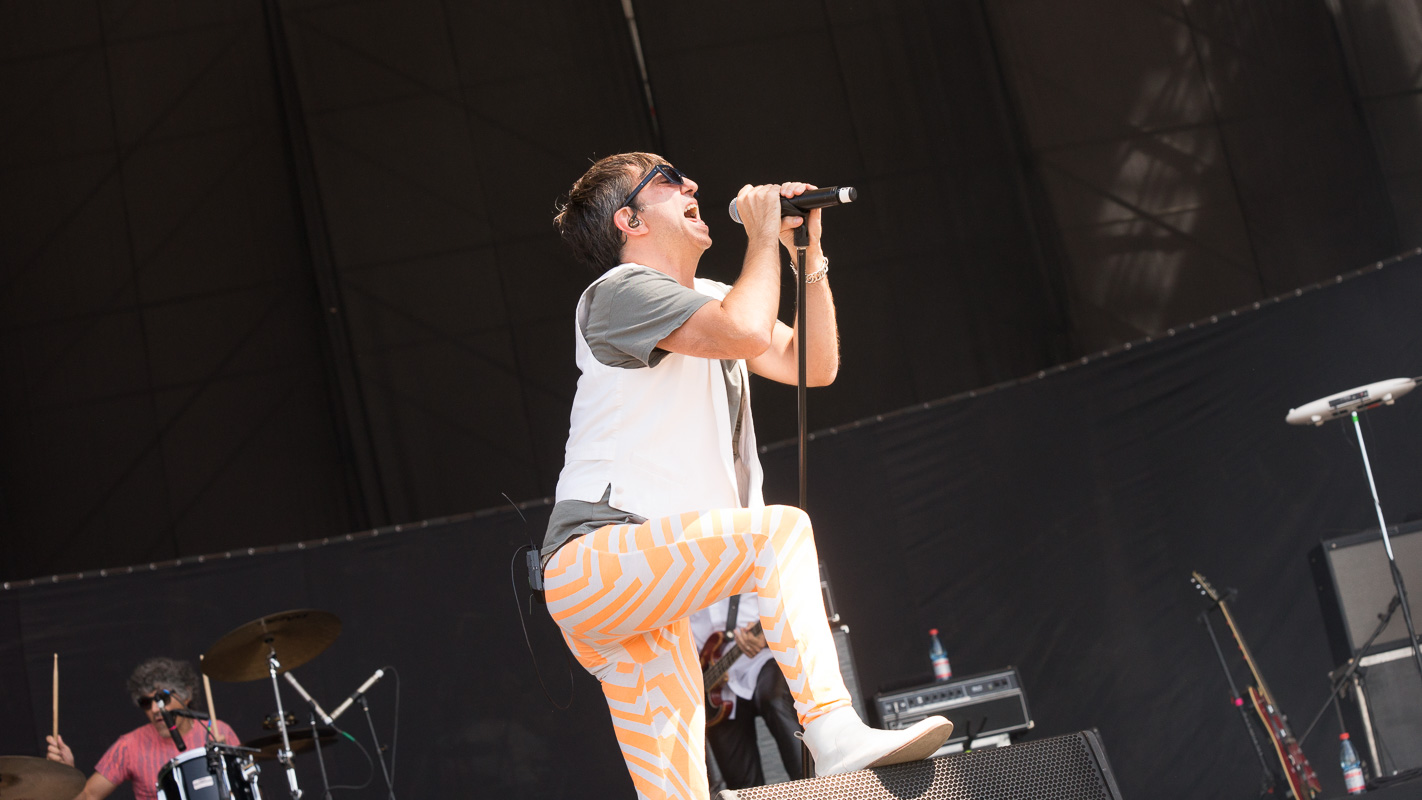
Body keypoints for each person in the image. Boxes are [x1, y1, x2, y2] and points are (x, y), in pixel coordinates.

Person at [543, 152, 951, 800]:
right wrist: (762, 233)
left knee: (677, 792)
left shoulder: (709, 300)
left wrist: (805, 257)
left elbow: (812, 365)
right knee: (777, 534)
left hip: (644, 593)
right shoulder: (618, 292)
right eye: (667, 179)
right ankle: (831, 729)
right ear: (630, 220)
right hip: (593, 559)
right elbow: (744, 329)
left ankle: (826, 737)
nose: (691, 184)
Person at [46, 657, 239, 800]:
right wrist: (67, 774)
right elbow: (87, 796)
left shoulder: (219, 731)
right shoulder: (129, 746)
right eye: (146, 703)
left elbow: (248, 788)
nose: (154, 709)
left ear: (186, 696)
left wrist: (229, 765)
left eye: (162, 699)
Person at [692, 594, 803, 789]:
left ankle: (814, 788)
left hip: (764, 659)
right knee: (743, 788)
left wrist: (768, 635)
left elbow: (794, 604)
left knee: (776, 702)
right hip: (710, 685)